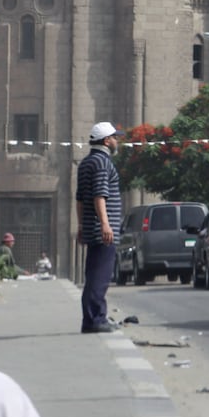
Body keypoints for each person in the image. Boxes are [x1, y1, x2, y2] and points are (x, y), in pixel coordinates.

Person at [75, 121, 123, 334]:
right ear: (106, 140)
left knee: (93, 275)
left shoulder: (86, 162)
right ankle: (96, 320)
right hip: (104, 229)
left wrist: (81, 225)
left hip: (91, 227)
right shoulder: (103, 163)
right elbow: (99, 195)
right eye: (114, 137)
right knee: (100, 277)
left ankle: (91, 319)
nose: (117, 140)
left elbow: (79, 199)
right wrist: (105, 223)